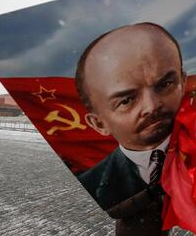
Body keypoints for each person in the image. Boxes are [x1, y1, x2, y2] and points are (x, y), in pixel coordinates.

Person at [74, 22, 186, 236]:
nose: (151, 106)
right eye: (126, 100)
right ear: (99, 123)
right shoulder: (94, 182)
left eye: (165, 85)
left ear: (184, 82)